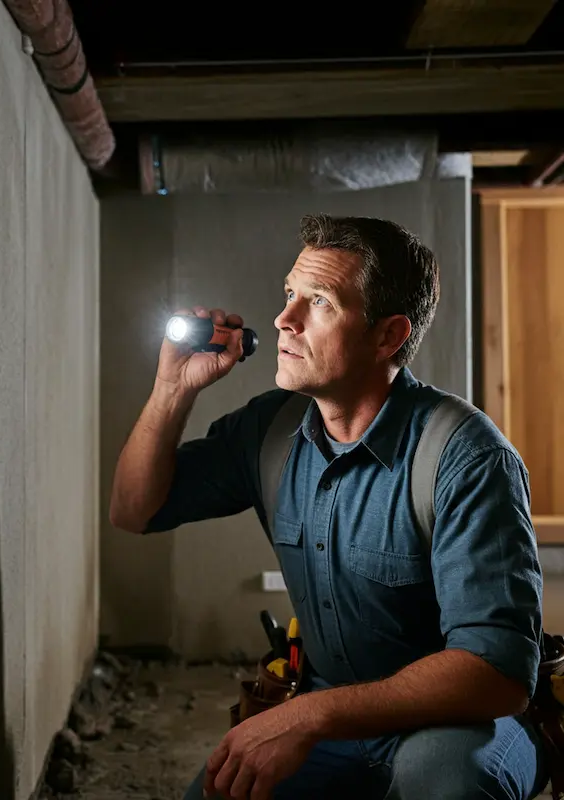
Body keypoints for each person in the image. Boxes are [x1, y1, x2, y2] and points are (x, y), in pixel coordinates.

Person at [109, 214, 548, 800]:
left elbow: (498, 674)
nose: (283, 319)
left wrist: (309, 717)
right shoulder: (270, 430)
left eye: (319, 302)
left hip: (460, 722)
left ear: (389, 336)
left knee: (445, 785)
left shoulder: (465, 457)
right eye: (290, 294)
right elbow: (134, 510)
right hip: (332, 707)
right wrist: (172, 388)